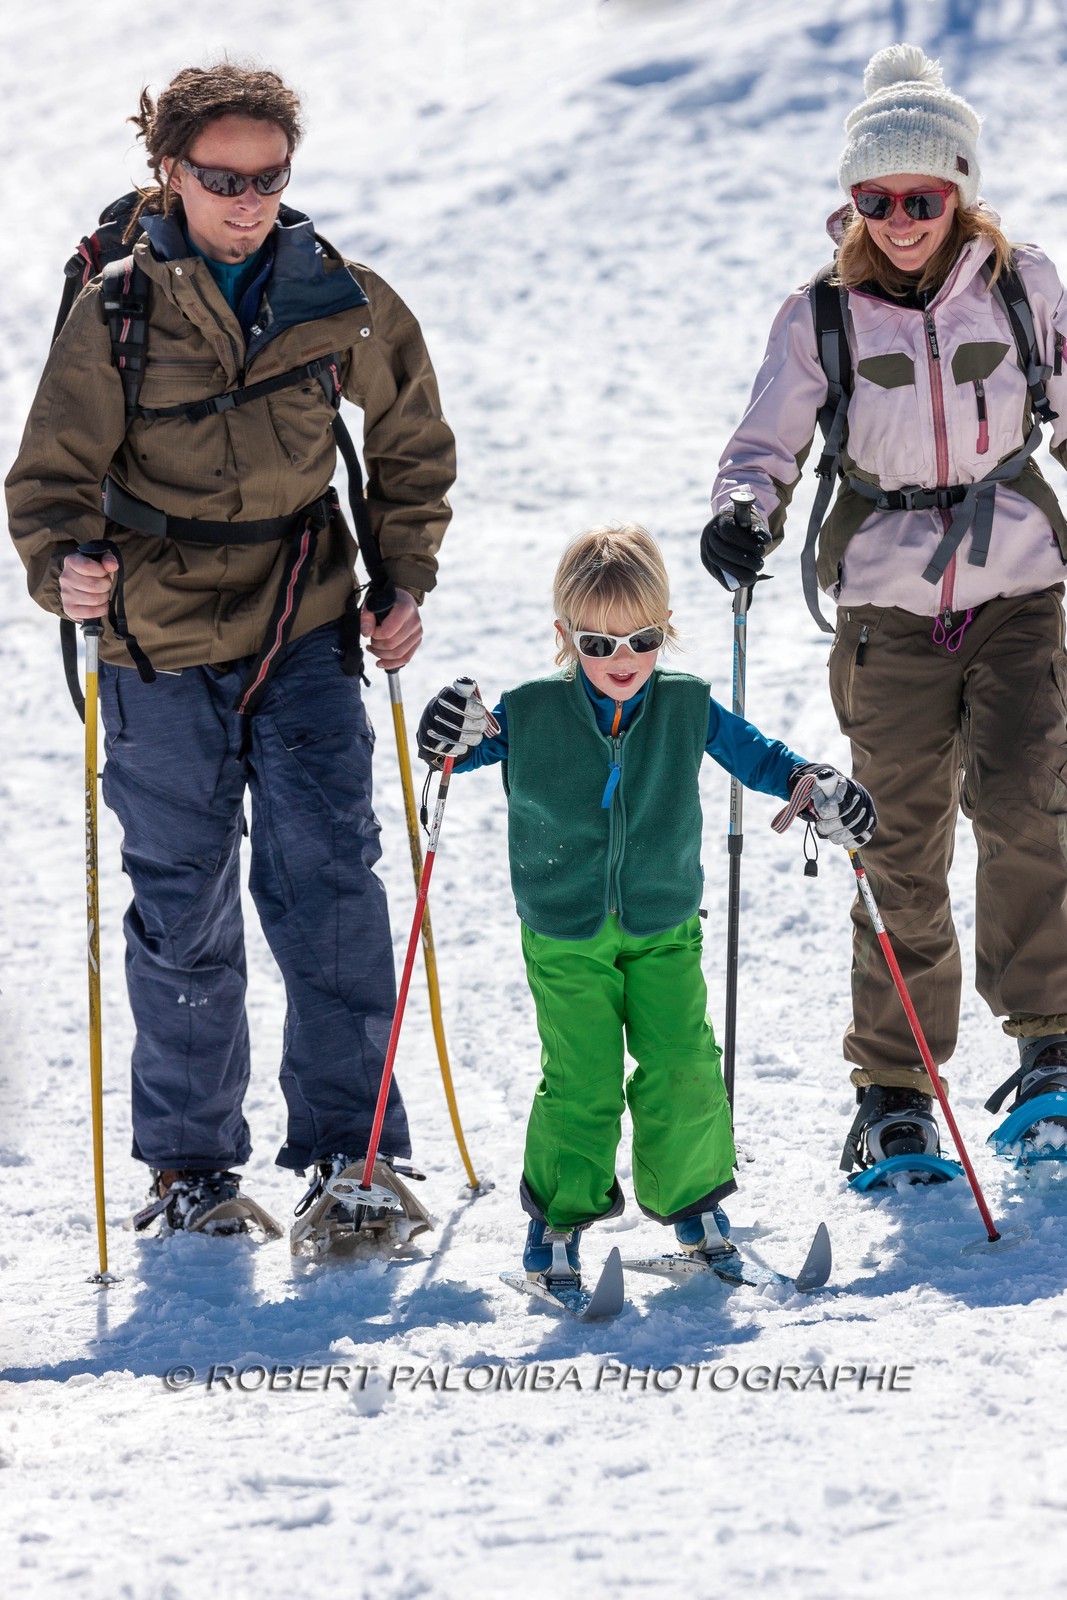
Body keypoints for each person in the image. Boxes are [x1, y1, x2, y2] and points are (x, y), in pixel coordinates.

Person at [5, 63, 455, 1241]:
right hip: (155, 647)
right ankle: (191, 1170)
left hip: (304, 622)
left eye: (268, 178)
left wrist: (402, 573)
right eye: (221, 178)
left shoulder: (335, 292)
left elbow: (410, 433)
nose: (247, 200)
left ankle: (351, 1157)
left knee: (331, 890)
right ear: (170, 172)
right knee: (182, 906)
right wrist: (67, 569)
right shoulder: (115, 310)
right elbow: (47, 482)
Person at [702, 43, 1067, 1180]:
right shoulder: (818, 316)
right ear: (851, 202)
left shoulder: (1020, 286)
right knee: (894, 842)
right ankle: (894, 1089)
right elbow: (764, 442)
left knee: (1028, 812)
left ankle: (1052, 1049)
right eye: (876, 200)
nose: (899, 219)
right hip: (885, 614)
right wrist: (742, 510)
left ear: (958, 192)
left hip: (1019, 593)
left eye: (921, 198)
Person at [416, 525, 874, 1284]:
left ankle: (694, 1207)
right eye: (597, 645)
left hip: (663, 927)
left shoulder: (686, 706)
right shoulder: (531, 711)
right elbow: (468, 743)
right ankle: (556, 1227)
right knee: (582, 1079)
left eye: (641, 639)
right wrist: (448, 732)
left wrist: (811, 781)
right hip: (565, 935)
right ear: (564, 639)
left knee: (683, 1064)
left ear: (667, 630)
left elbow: (759, 757)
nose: (620, 660)